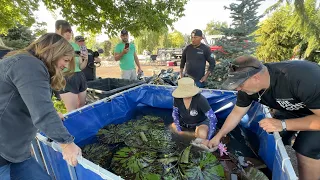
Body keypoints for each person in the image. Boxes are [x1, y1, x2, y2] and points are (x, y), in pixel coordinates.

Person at [208, 56, 320, 179]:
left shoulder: (302, 79)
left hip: (315, 110)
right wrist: (219, 136)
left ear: (256, 78)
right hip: (292, 108)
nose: (237, 89)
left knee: (306, 149)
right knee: (271, 139)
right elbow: (236, 113)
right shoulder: (247, 89)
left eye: (240, 84)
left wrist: (283, 124)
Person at [0, 33, 82, 179]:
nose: (64, 66)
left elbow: (30, 100)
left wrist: (52, 113)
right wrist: (66, 144)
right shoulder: (29, 65)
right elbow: (42, 112)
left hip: (15, 150)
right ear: (54, 52)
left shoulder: (26, 62)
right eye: (65, 60)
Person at [171, 77, 218, 145]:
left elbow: (213, 118)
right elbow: (175, 113)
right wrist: (178, 129)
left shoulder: (200, 99)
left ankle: (192, 136)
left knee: (202, 134)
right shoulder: (177, 98)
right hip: (185, 122)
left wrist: (208, 138)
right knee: (172, 127)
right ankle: (191, 135)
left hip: (200, 123)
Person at [55, 20, 88, 112]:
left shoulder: (75, 46)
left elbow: (81, 67)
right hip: (66, 77)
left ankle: (82, 125)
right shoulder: (56, 46)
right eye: (65, 31)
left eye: (70, 31)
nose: (68, 34)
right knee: (72, 111)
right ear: (57, 30)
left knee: (82, 106)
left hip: (80, 76)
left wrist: (85, 59)